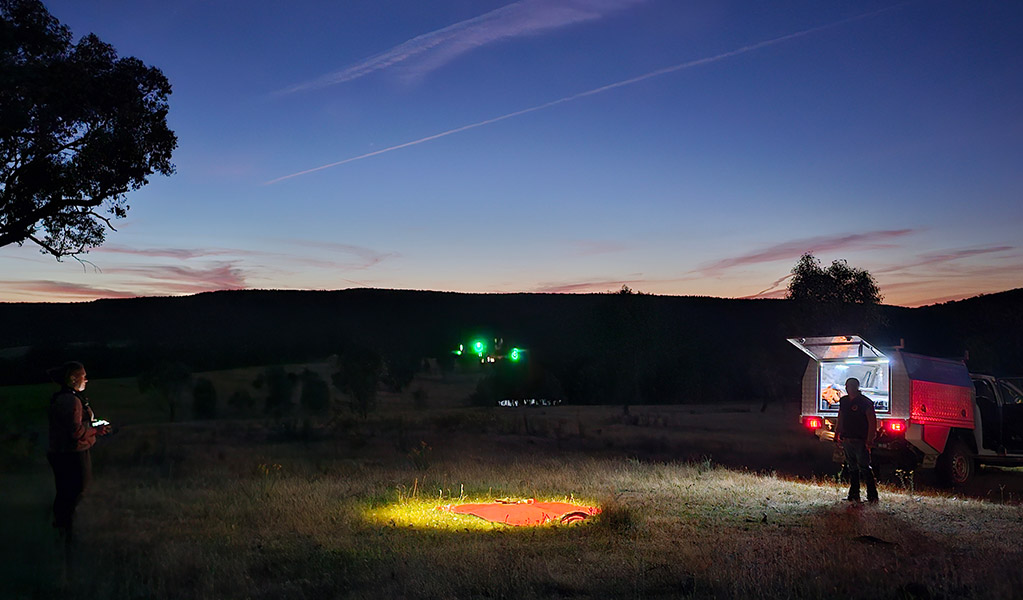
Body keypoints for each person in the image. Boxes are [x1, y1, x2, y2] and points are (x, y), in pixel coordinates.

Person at [46, 361, 110, 543]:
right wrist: (95, 430)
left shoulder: (62, 398)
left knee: (65, 491)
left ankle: (63, 530)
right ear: (73, 378)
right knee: (76, 491)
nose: (86, 380)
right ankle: (68, 531)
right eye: (83, 376)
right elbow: (75, 432)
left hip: (61, 453)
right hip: (73, 454)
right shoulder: (71, 401)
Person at [835, 377, 878, 503]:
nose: (849, 389)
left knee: (864, 467)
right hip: (847, 438)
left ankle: (872, 495)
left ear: (857, 387)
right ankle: (854, 494)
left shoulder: (865, 402)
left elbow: (872, 421)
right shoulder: (844, 401)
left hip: (860, 439)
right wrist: (837, 433)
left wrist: (869, 439)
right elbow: (840, 417)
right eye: (848, 386)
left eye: (852, 386)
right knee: (851, 467)